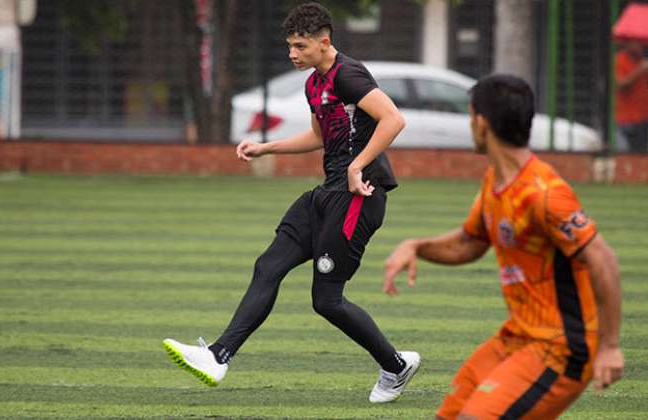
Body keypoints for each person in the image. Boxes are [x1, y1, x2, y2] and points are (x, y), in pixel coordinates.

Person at [163, 2, 420, 404]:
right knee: (269, 265)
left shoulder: (348, 74)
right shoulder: (313, 83)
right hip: (326, 193)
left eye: (300, 46)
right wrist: (267, 148)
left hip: (358, 197)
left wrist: (357, 167)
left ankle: (396, 365)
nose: (292, 53)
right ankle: (218, 355)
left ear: (324, 42)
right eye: (290, 46)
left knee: (326, 300)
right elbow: (318, 135)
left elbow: (393, 120)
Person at [383, 74, 624, 419]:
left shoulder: (543, 193)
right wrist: (417, 246)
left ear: (482, 122)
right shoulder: (495, 180)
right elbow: (469, 242)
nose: (469, 125)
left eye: (469, 117)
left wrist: (611, 347)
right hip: (518, 337)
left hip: (560, 347)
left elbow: (603, 260)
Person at [615, 39, 648, 153]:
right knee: (624, 153)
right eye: (637, 42)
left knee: (640, 154)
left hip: (642, 119)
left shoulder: (642, 61)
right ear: (628, 43)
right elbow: (620, 84)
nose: (641, 45)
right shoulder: (619, 60)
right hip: (623, 120)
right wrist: (639, 71)